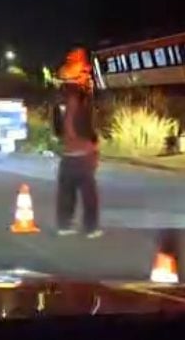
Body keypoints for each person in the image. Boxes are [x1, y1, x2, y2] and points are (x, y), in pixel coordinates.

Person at [53, 47, 102, 238]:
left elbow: (57, 126)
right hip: (82, 152)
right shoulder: (80, 97)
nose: (88, 75)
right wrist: (93, 142)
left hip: (67, 153)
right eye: (84, 72)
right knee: (89, 194)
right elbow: (83, 124)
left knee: (67, 191)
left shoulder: (60, 97)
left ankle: (64, 225)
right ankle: (91, 228)